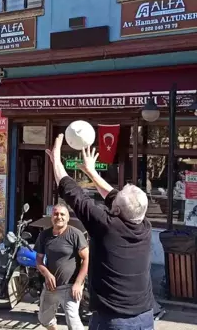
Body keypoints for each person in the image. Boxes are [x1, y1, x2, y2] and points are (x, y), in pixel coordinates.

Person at [46, 134, 155, 330]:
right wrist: (91, 172)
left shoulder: (106, 226)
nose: (115, 194)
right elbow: (114, 197)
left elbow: (71, 191)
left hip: (113, 321)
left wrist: (56, 159)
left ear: (116, 210)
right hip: (145, 318)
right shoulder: (144, 225)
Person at [34, 203, 88, 330]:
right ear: (51, 217)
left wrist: (78, 283)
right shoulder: (44, 235)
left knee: (73, 323)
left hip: (70, 287)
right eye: (56, 214)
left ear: (68, 218)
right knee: (44, 319)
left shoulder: (75, 234)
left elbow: (86, 259)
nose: (59, 217)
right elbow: (39, 259)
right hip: (50, 287)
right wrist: (46, 274)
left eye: (62, 214)